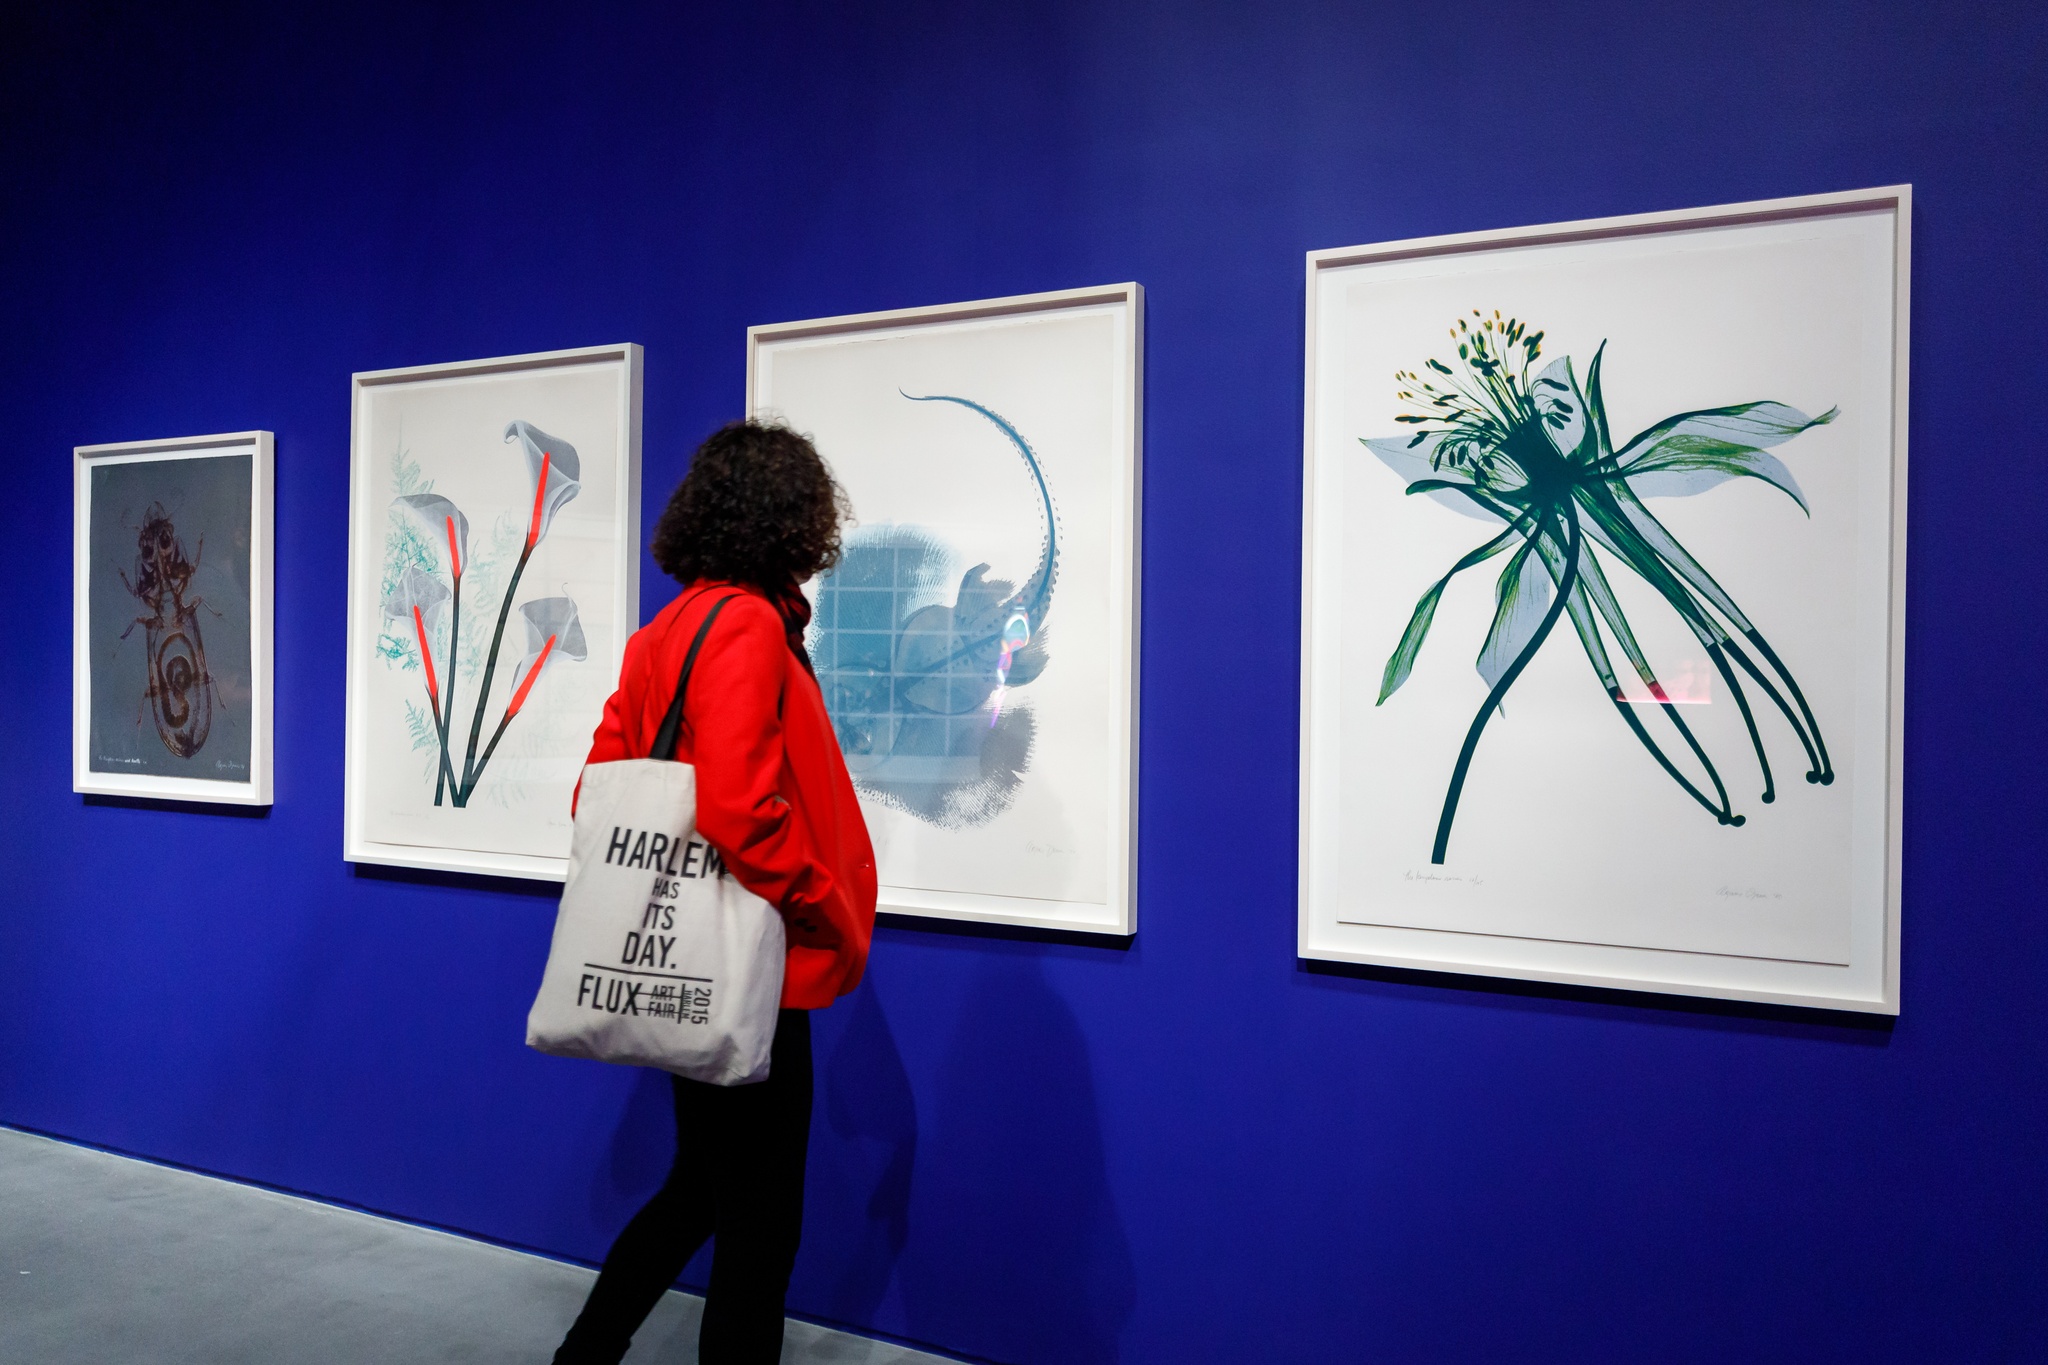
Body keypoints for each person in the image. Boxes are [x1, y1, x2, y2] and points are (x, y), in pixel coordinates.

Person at [553, 420, 877, 1365]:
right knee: (761, 1227)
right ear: (794, 518)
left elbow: (597, 793)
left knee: (702, 1185)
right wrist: (818, 899)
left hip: (685, 952)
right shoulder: (743, 622)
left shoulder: (667, 629)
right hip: (750, 962)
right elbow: (739, 805)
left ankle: (582, 1356)